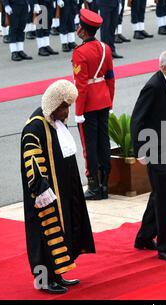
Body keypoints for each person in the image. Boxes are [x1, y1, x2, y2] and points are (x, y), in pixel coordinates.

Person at [20, 79, 96, 294]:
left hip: (62, 190)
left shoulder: (55, 123)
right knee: (44, 237)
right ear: (54, 105)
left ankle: (57, 274)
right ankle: (44, 280)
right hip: (44, 193)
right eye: (64, 107)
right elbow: (32, 162)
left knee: (63, 231)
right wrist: (42, 190)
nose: (67, 112)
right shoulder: (34, 127)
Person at [131, 47, 166, 263]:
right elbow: (138, 120)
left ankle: (144, 237)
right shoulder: (153, 87)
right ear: (163, 68)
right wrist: (141, 153)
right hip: (158, 152)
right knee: (164, 200)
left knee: (159, 195)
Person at [72, 8, 115, 201]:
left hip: (88, 104)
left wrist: (78, 111)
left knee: (89, 146)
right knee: (103, 142)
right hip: (104, 100)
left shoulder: (80, 53)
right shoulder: (106, 48)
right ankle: (105, 184)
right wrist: (110, 101)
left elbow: (81, 86)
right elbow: (110, 78)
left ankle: (94, 187)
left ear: (83, 29)